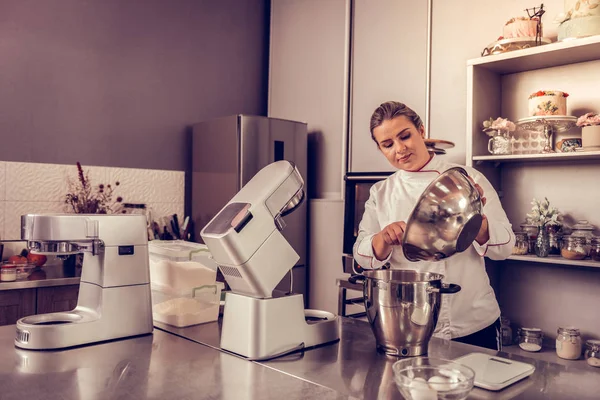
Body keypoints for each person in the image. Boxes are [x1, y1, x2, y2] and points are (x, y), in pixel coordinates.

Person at [353, 101, 515, 350]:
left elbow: (505, 246)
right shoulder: (381, 192)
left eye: (405, 136)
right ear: (381, 149)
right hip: (410, 324)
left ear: (421, 131)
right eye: (388, 144)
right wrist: (383, 239)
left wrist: (475, 223)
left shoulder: (467, 179)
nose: (400, 149)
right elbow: (362, 255)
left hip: (473, 321)